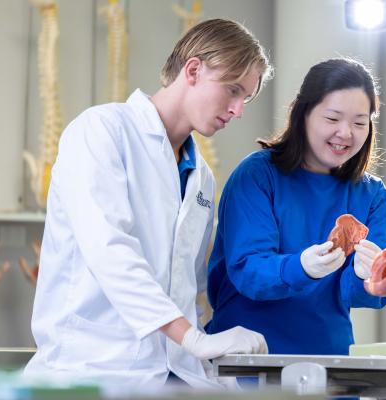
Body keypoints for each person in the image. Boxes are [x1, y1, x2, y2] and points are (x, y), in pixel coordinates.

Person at [24, 19, 273, 390]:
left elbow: (187, 284)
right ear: (193, 69)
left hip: (171, 375)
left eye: (245, 99)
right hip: (92, 370)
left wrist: (209, 351)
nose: (238, 110)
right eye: (233, 91)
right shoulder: (101, 131)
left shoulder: (201, 177)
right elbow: (110, 250)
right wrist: (192, 339)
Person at [206, 58, 386, 355]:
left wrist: (371, 275)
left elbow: (364, 295)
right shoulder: (258, 176)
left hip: (330, 360)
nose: (346, 133)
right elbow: (248, 270)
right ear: (303, 114)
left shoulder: (371, 194)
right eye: (332, 119)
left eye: (359, 123)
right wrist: (300, 267)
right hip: (249, 358)